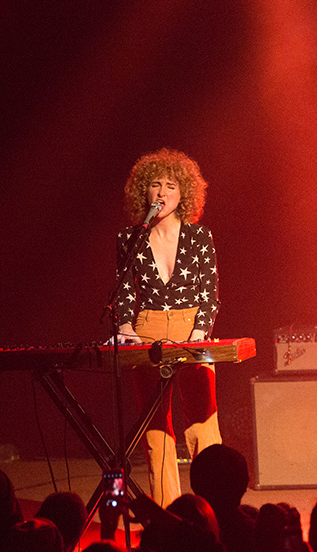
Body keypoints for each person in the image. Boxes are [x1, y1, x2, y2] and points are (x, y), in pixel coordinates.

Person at [114, 148, 221, 507]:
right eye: (155, 185)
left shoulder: (199, 237)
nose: (161, 193)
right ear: (143, 192)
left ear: (184, 193)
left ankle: (213, 507)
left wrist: (199, 332)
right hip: (148, 329)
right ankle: (166, 512)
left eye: (170, 186)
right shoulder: (129, 239)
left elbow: (210, 292)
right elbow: (126, 290)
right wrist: (126, 326)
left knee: (202, 424)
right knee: (156, 429)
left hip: (192, 329)